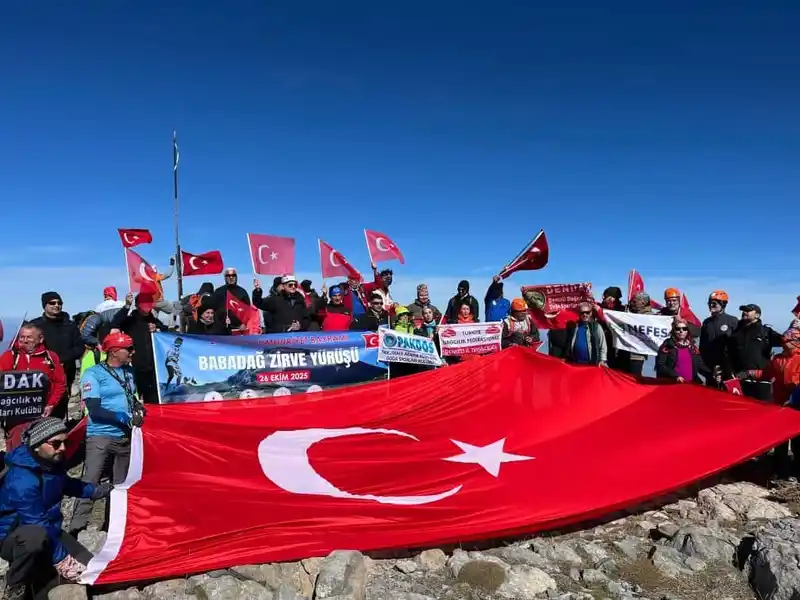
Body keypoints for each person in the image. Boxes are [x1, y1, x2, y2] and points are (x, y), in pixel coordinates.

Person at [0, 418, 112, 599]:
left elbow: (66, 484)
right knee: (35, 539)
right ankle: (15, 584)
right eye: (56, 443)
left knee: (92, 569)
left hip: (50, 530)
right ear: (37, 445)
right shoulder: (21, 479)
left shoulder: (52, 464)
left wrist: (95, 491)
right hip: (16, 537)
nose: (63, 448)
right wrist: (63, 560)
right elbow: (36, 522)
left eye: (65, 442)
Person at [70, 332, 144, 536]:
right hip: (100, 436)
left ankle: (113, 526)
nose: (132, 352)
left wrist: (137, 407)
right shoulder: (93, 374)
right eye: (128, 348)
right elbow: (93, 408)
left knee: (120, 485)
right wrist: (122, 417)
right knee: (90, 482)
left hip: (124, 437)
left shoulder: (129, 371)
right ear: (113, 352)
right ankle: (76, 528)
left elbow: (130, 396)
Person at [0, 324, 66, 450]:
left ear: (40, 339)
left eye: (29, 337)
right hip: (16, 416)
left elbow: (60, 383)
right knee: (16, 448)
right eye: (22, 337)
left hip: (43, 413)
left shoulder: (51, 357)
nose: (24, 340)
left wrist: (51, 404)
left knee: (42, 448)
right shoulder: (10, 356)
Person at [31, 292, 83, 419]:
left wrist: (62, 360)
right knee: (39, 402)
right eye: (52, 303)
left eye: (59, 303)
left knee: (61, 401)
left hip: (65, 370)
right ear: (44, 305)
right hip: (40, 371)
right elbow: (28, 347)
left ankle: (58, 430)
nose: (57, 305)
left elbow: (79, 348)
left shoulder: (70, 326)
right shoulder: (35, 325)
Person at [110, 293, 167, 404]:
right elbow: (114, 323)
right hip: (135, 367)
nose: (146, 307)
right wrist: (127, 306)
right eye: (143, 303)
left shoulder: (153, 320)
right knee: (135, 400)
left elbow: (168, 333)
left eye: (148, 303)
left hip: (153, 368)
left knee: (153, 400)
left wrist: (158, 328)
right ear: (137, 305)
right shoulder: (131, 320)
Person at [761, 323, 800, 476]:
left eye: (789, 340)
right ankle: (780, 470)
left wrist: (794, 393)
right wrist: (748, 373)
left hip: (797, 404)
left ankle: (797, 470)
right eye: (785, 340)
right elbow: (765, 374)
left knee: (798, 441)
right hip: (780, 403)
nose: (786, 342)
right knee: (780, 440)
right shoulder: (777, 359)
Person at [726, 303, 784, 400]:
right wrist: (730, 371)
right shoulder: (735, 332)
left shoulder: (766, 332)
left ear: (757, 315)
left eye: (748, 310)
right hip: (740, 379)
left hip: (761, 381)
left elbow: (788, 341)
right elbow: (729, 353)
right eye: (743, 310)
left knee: (764, 410)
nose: (744, 312)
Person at [656, 317, 713, 384]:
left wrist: (712, 374)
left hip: (691, 385)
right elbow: (660, 366)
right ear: (673, 330)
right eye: (678, 329)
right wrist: (675, 376)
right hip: (672, 384)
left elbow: (700, 365)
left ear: (687, 330)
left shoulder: (692, 347)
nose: (681, 331)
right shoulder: (667, 346)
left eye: (684, 328)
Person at [699, 290, 738, 386]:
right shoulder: (706, 322)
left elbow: (737, 347)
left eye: (714, 303)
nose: (711, 305)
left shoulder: (733, 321)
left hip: (729, 370)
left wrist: (729, 368)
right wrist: (709, 369)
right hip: (711, 370)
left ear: (723, 305)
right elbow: (702, 348)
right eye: (710, 303)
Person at [598, 286, 628, 370]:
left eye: (606, 296)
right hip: (605, 344)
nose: (604, 298)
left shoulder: (623, 310)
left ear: (613, 298)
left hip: (619, 347)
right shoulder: (601, 308)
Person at [625, 292, 655, 376]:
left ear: (643, 303)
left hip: (637, 354)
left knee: (634, 377)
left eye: (635, 301)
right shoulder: (632, 313)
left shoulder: (650, 316)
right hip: (625, 351)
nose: (632, 303)